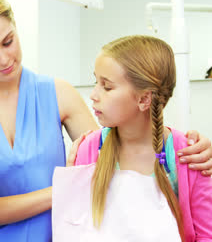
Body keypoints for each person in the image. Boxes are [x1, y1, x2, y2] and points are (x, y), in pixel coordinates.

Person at [0, 0, 212, 241]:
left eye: (8, 41)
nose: (3, 59)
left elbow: (119, 143)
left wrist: (187, 144)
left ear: (16, 27)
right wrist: (69, 188)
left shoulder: (59, 93)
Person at [52, 35, 212, 241]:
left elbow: (206, 235)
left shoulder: (189, 155)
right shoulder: (88, 149)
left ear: (144, 99)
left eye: (107, 87)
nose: (94, 94)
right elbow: (74, 230)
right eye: (95, 82)